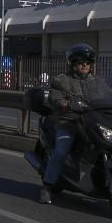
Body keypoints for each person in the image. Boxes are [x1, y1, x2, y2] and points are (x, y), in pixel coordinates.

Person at [39, 43, 99, 204]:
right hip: (69, 123)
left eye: (87, 62)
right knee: (61, 151)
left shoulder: (96, 82)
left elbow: (109, 95)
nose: (85, 65)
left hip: (91, 124)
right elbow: (55, 97)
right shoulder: (62, 80)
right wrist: (63, 103)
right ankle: (47, 187)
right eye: (80, 62)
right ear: (73, 64)